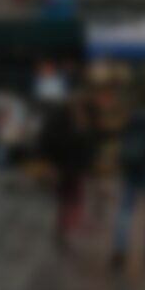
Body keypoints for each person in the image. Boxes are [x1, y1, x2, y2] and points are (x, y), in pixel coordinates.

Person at [111, 91, 145, 270]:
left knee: (125, 209)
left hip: (132, 170)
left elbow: (123, 143)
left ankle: (119, 250)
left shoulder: (130, 120)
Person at [42, 93, 93, 250]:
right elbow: (55, 143)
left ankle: (64, 232)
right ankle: (63, 232)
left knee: (70, 201)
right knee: (67, 201)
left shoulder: (79, 122)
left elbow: (86, 148)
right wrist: (52, 166)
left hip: (73, 169)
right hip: (66, 168)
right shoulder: (65, 123)